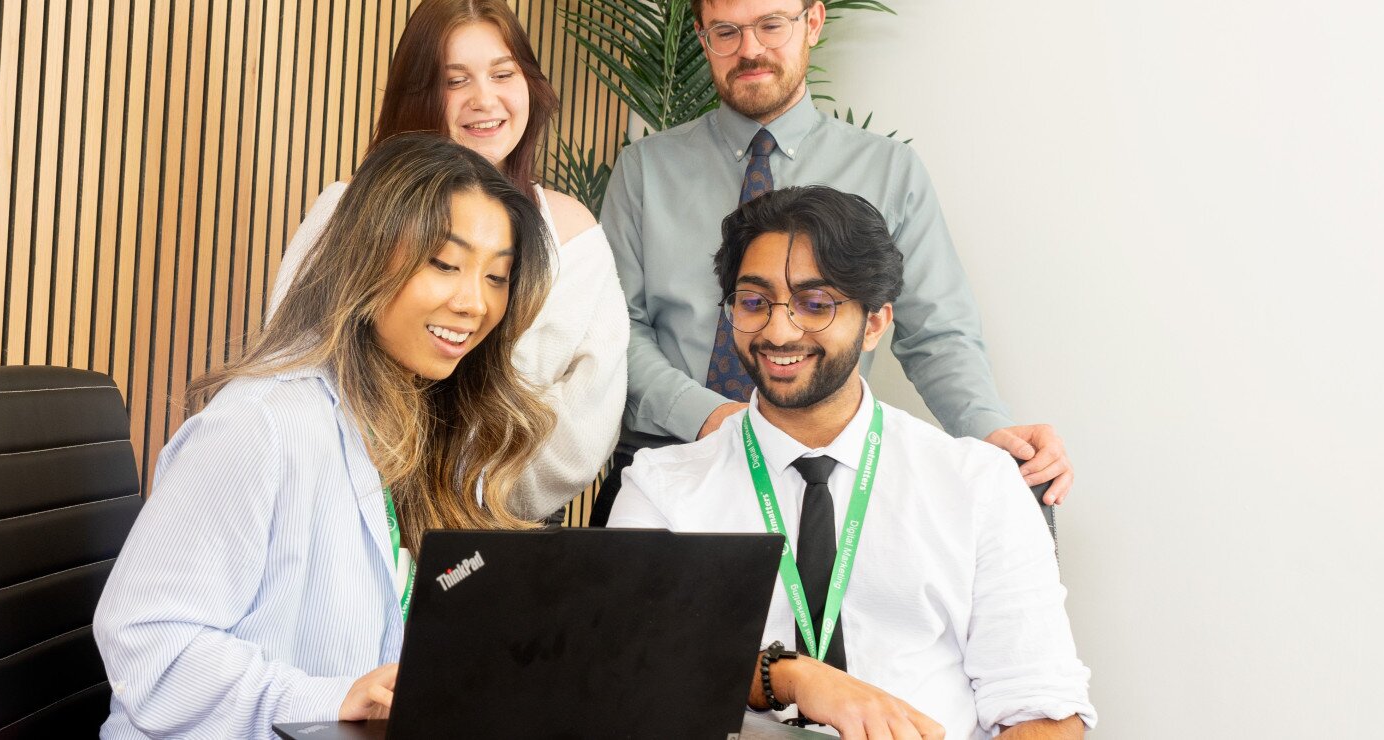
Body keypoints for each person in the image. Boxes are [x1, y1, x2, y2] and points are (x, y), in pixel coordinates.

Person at [93, 133, 555, 739]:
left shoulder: (429, 431)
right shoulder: (260, 426)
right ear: (368, 257)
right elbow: (149, 647)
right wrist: (330, 697)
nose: (474, 302)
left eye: (497, 276)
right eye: (445, 263)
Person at [609, 186, 1094, 740]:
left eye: (816, 305)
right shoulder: (662, 488)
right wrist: (790, 678)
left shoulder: (978, 483)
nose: (778, 330)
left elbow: (1041, 708)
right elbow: (632, 662)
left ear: (875, 323)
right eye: (753, 301)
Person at [594, 0, 1073, 524]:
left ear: (813, 22)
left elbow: (938, 333)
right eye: (726, 31)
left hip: (820, 476)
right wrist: (713, 418)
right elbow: (616, 329)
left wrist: (986, 430)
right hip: (667, 457)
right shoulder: (643, 169)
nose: (749, 49)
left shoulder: (890, 171)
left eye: (771, 25)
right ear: (702, 37)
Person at [267, 0, 626, 521]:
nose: (485, 99)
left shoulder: (574, 233)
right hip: (348, 512)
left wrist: (473, 497)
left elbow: (590, 412)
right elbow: (293, 362)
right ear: (418, 96)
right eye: (456, 81)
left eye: (503, 73)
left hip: (501, 526)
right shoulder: (348, 210)